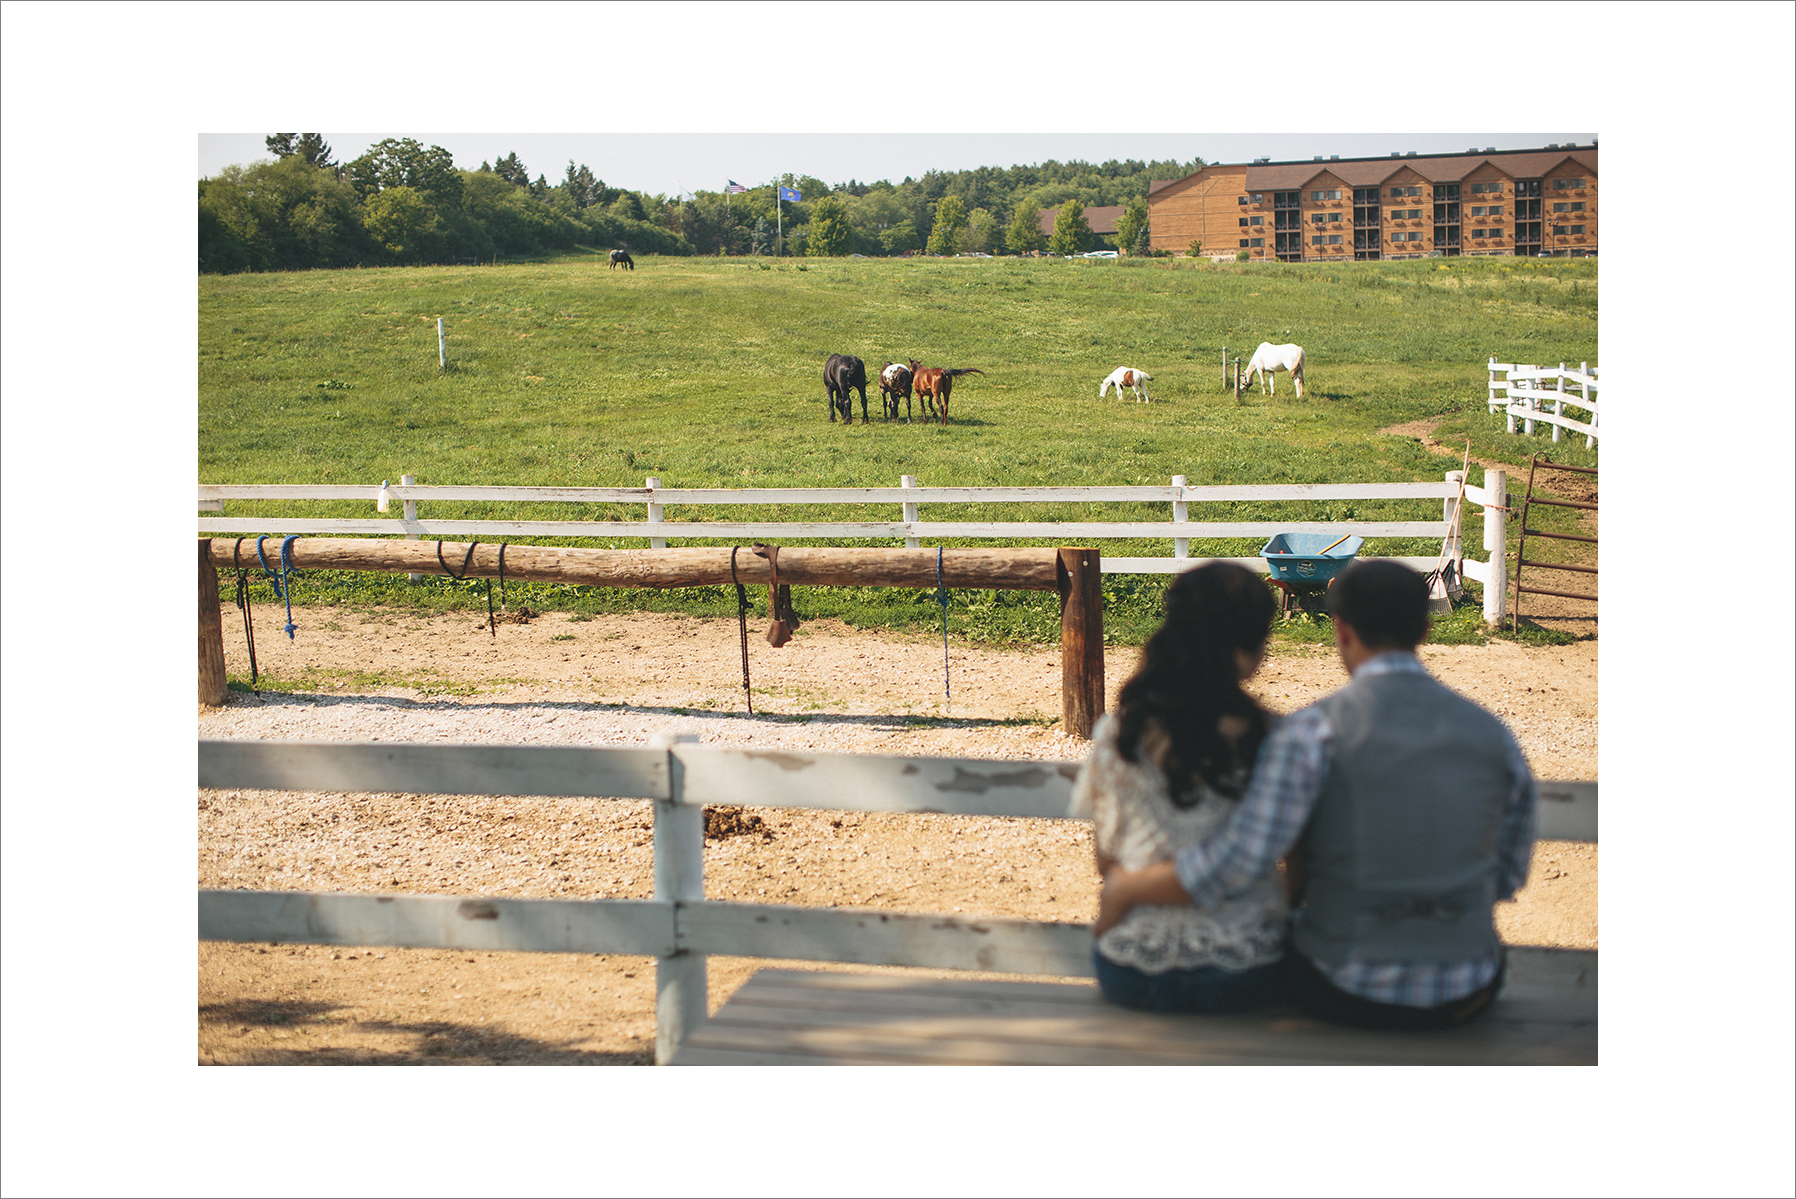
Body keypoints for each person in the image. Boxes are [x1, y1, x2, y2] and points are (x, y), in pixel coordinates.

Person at [1095, 559, 1537, 1031]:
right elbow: (1508, 875)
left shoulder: (1314, 731)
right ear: (1425, 629)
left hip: (1343, 984)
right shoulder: (1494, 735)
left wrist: (1128, 889)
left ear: (1342, 630)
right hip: (1468, 989)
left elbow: (1242, 858)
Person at [1071, 562, 1287, 1013]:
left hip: (1130, 965)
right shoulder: (1270, 737)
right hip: (1240, 965)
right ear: (1247, 650)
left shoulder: (1118, 734)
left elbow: (1107, 859)